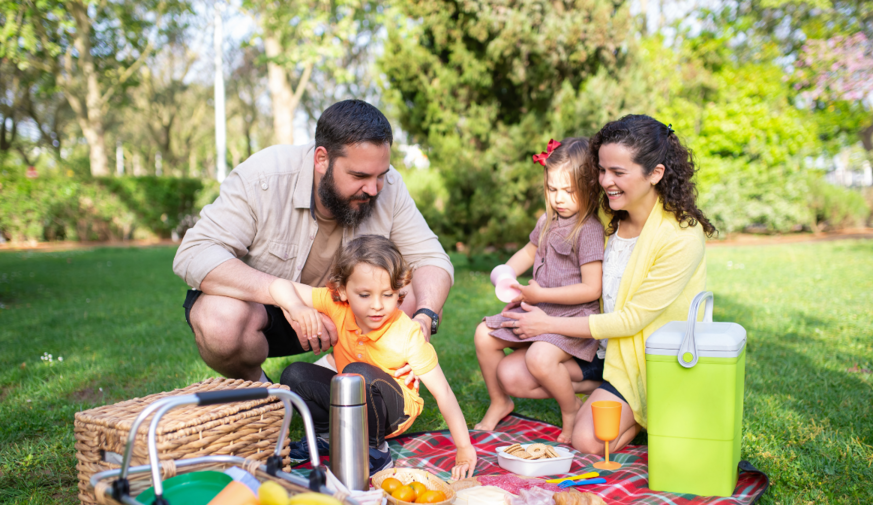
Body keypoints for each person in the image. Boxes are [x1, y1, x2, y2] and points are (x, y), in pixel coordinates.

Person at [173, 100, 453, 384]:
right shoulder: (264, 176)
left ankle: (340, 378)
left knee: (420, 290)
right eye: (359, 176)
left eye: (381, 175)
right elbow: (194, 253)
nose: (373, 188)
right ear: (322, 159)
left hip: (350, 314)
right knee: (218, 320)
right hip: (269, 311)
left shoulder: (389, 187)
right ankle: (265, 394)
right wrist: (280, 293)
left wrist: (425, 317)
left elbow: (432, 259)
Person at [497, 115, 716, 455]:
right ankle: (602, 392)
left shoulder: (681, 237)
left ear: (655, 174)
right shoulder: (605, 216)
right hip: (600, 350)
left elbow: (631, 320)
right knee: (511, 374)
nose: (605, 181)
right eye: (601, 170)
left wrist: (548, 323)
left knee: (587, 441)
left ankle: (646, 410)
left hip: (642, 361)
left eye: (618, 172)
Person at [270, 235, 477, 479]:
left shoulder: (407, 333)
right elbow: (278, 286)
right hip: (353, 396)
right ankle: (325, 436)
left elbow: (443, 392)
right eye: (365, 295)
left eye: (387, 294)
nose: (377, 305)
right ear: (344, 291)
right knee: (294, 374)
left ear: (399, 291)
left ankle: (375, 450)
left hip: (392, 413)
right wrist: (296, 307)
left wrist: (464, 448)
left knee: (358, 372)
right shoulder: (337, 305)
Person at [473, 137, 604, 444]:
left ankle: (571, 409)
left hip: (571, 317)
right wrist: (506, 272)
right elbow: (530, 252)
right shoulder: (547, 220)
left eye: (569, 191)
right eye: (552, 189)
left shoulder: (589, 229)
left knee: (541, 358)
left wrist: (540, 295)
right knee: (483, 335)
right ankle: (500, 401)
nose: (559, 198)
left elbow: (591, 288)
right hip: (537, 307)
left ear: (589, 187)